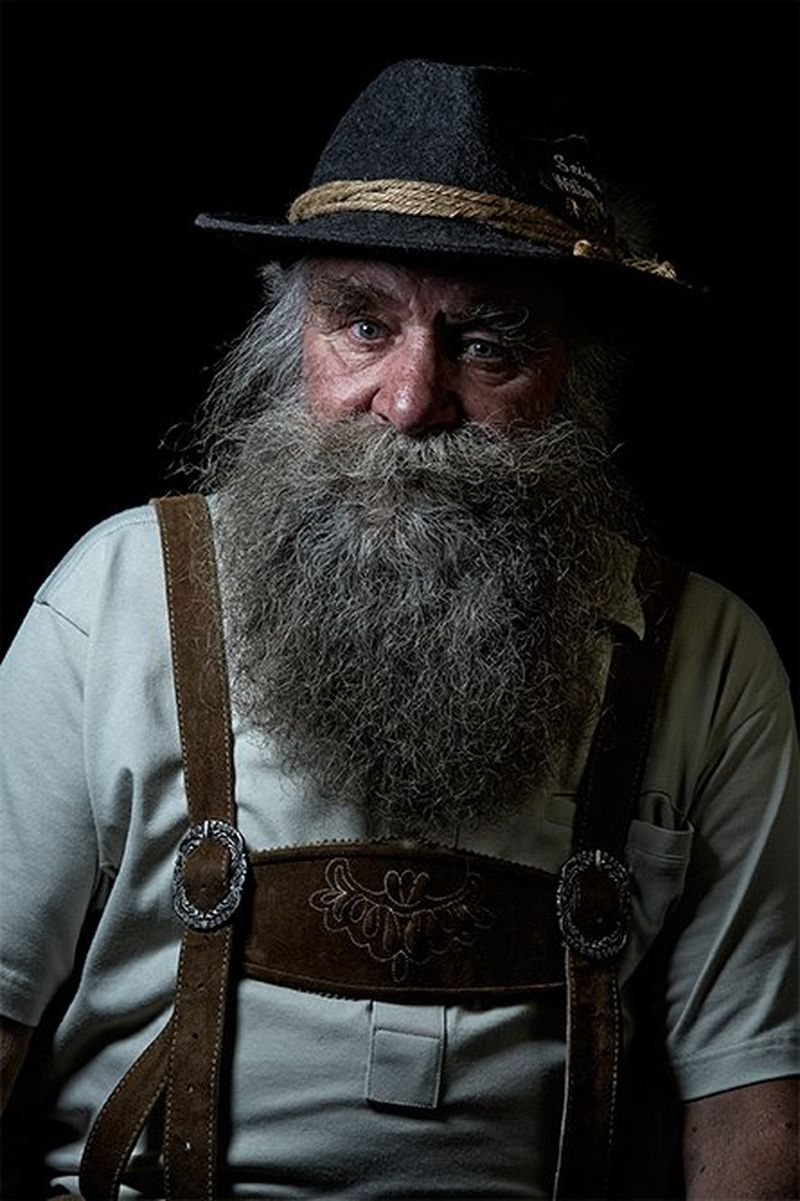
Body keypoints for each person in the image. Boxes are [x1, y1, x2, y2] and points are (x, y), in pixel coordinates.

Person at [1, 58, 797, 1201]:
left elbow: (752, 1107)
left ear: (573, 373)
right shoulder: (113, 598)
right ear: (293, 342)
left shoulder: (709, 658)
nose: (412, 402)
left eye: (487, 343)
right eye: (362, 324)